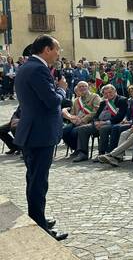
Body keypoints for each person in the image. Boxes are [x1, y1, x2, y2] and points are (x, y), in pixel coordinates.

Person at [13, 35, 68, 240]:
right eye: (57, 49)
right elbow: (52, 101)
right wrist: (62, 89)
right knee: (38, 181)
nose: (58, 53)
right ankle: (40, 225)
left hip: (32, 131)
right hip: (40, 133)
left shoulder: (26, 67)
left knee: (33, 178)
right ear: (47, 49)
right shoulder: (38, 69)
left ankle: (38, 217)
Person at [72, 84, 128, 162]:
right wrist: (96, 122)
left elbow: (120, 116)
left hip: (113, 123)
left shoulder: (122, 100)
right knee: (82, 128)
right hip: (99, 123)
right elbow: (96, 115)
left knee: (103, 129)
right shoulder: (103, 102)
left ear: (115, 91)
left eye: (110, 92)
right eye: (105, 93)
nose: (108, 94)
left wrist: (104, 123)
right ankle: (83, 153)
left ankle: (101, 153)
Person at [61, 81, 101, 152]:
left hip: (89, 121)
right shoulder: (76, 100)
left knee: (74, 132)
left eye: (84, 86)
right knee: (64, 131)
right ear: (78, 89)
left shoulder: (95, 97)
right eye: (80, 87)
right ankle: (75, 148)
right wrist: (73, 120)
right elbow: (72, 113)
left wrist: (83, 120)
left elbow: (95, 111)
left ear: (88, 87)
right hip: (76, 122)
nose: (82, 88)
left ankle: (79, 151)